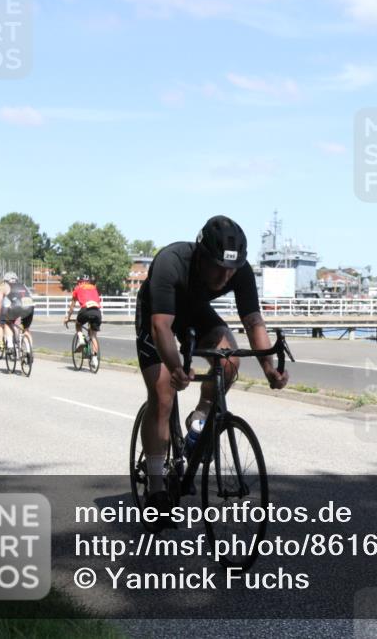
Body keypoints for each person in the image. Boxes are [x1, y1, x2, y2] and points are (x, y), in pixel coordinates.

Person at [135, 215, 288, 531]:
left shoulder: (239, 271)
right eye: (218, 266)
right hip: (157, 314)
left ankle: (199, 421)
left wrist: (269, 369)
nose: (225, 275)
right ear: (201, 254)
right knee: (163, 394)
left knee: (230, 360)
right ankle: (156, 488)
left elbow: (253, 322)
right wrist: (177, 368)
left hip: (193, 312)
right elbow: (161, 325)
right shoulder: (171, 261)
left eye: (231, 268)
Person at [0, 272, 36, 351]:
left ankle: (10, 346)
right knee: (26, 329)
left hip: (15, 306)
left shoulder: (4, 286)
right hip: (29, 307)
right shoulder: (24, 285)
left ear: (5, 280)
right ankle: (29, 352)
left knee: (7, 323)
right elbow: (31, 297)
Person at [65, 276, 102, 356]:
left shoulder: (77, 288)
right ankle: (94, 359)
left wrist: (68, 317)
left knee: (78, 324)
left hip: (85, 310)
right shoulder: (94, 288)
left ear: (79, 282)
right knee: (93, 336)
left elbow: (72, 307)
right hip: (97, 312)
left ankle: (81, 340)